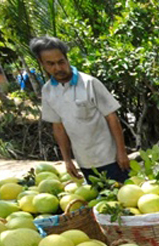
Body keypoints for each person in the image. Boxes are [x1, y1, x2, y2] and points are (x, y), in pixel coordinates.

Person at [30, 35, 130, 183]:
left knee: (123, 196)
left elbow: (112, 117)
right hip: (84, 161)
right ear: (42, 63)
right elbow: (58, 127)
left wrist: (121, 152)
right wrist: (67, 160)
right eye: (50, 64)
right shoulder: (48, 91)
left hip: (110, 158)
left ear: (66, 58)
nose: (58, 68)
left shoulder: (90, 83)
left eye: (61, 62)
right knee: (99, 200)